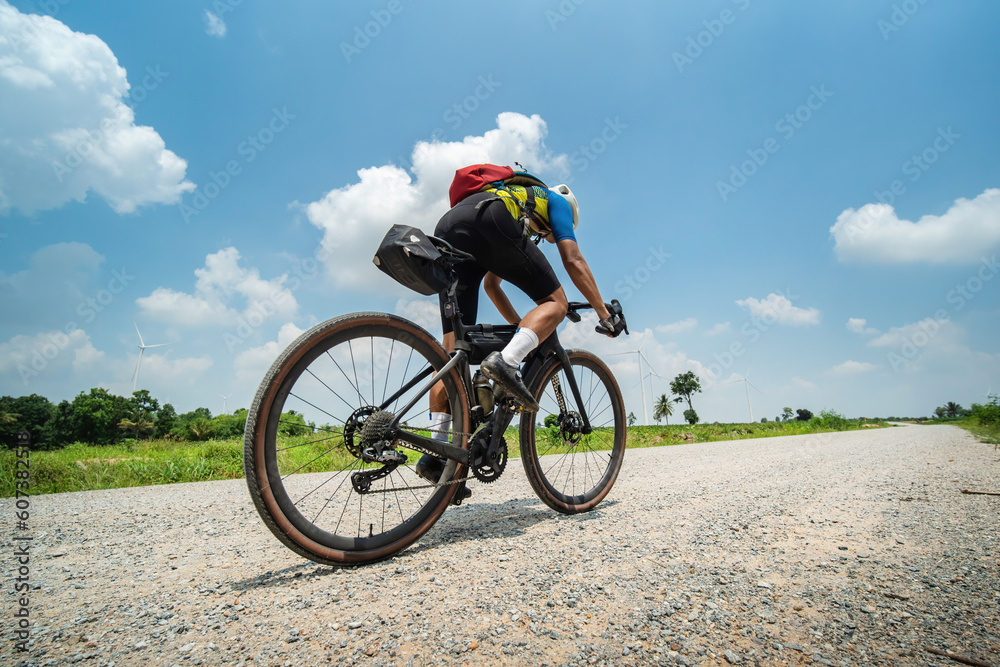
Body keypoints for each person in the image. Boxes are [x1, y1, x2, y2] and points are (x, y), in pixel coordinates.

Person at [416, 174, 626, 485]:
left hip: (450, 225)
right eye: (547, 233)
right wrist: (603, 313)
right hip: (490, 219)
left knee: (450, 357)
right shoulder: (557, 202)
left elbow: (492, 286)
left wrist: (524, 331)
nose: (546, 236)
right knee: (556, 302)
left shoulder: (514, 197)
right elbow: (573, 258)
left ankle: (439, 452)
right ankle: (505, 363)